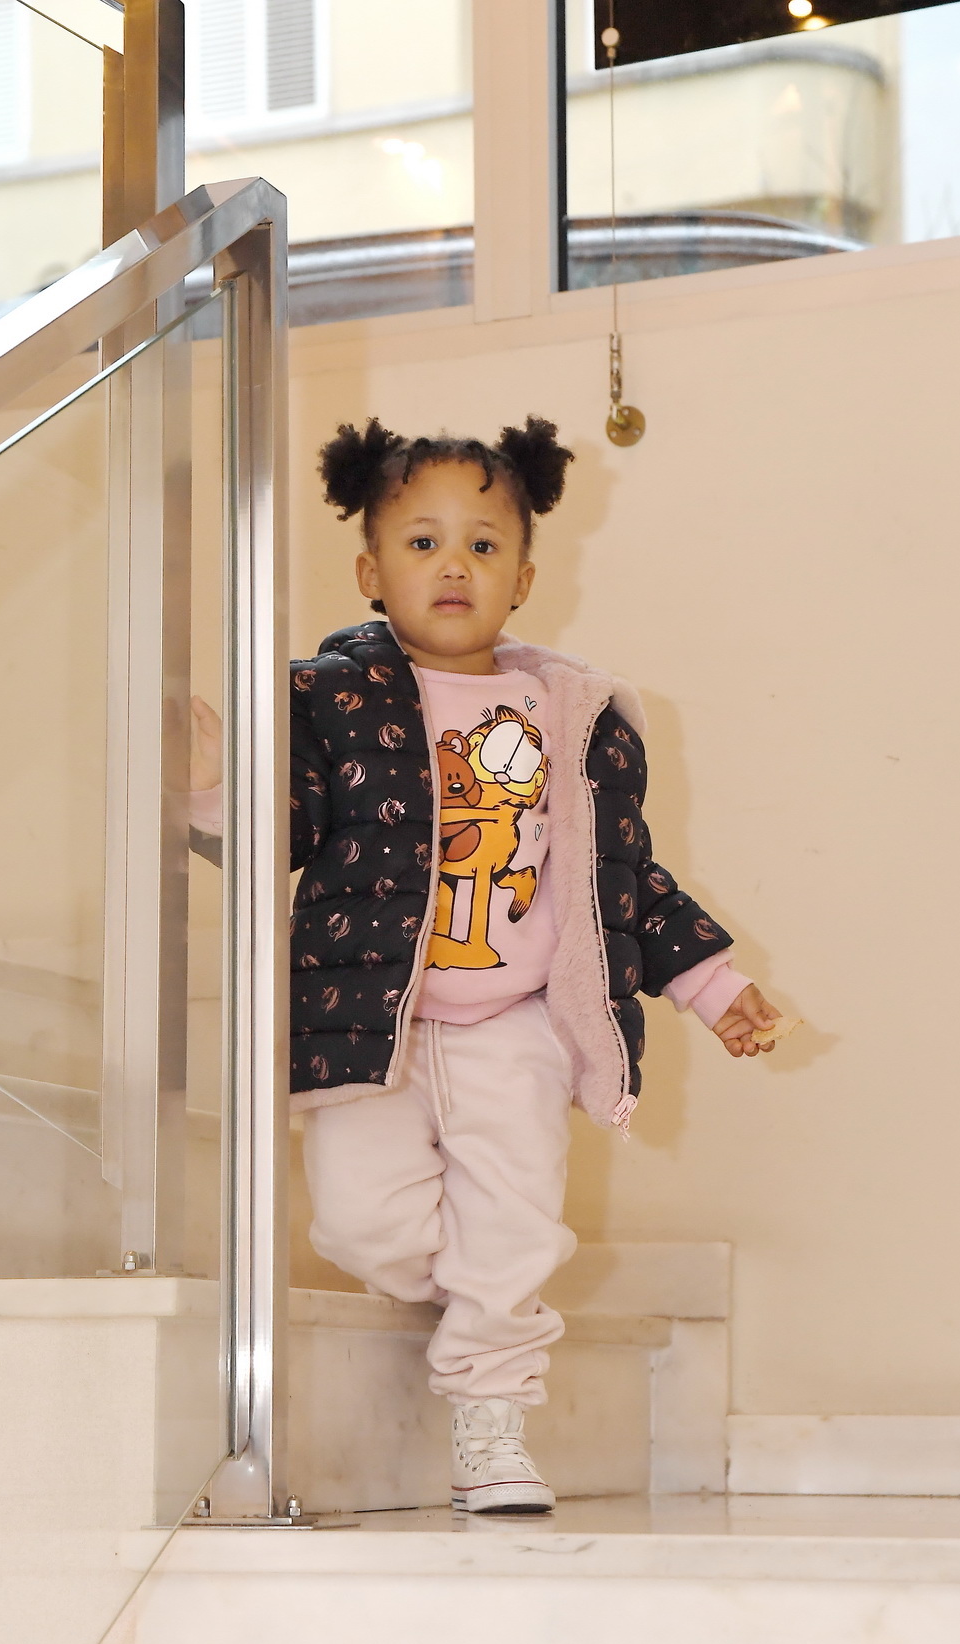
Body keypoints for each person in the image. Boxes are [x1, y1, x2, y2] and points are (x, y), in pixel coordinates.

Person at [188, 416, 781, 1516]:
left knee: (515, 1220)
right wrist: (212, 781)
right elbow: (284, 831)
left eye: (481, 544)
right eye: (421, 543)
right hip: (368, 1015)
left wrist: (712, 984)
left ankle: (492, 1420)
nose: (452, 565)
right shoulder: (327, 699)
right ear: (370, 572)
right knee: (359, 1225)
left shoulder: (571, 717)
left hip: (517, 1025)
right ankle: (478, 1293)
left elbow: (620, 876)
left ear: (522, 578)